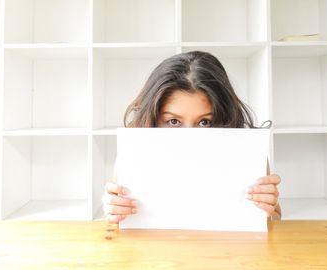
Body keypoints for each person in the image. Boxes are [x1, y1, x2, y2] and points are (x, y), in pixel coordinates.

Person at [103, 50, 282, 223]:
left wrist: (268, 211)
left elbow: (274, 220)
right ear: (153, 116)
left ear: (225, 117)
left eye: (204, 122)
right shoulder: (133, 153)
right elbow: (119, 228)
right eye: (173, 121)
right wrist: (113, 212)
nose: (188, 137)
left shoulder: (247, 154)